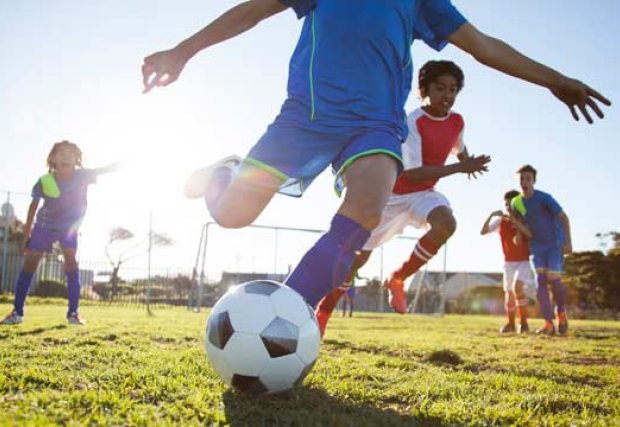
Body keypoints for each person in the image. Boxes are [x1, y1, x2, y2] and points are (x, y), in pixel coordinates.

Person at [141, 1, 610, 316]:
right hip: (306, 116)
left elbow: (484, 46)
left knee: (365, 208)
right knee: (232, 216)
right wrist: (184, 51)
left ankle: (289, 314)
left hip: (376, 123)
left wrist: (554, 79)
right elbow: (254, 11)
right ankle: (227, 172)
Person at [314, 60, 490, 337]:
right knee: (357, 261)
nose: (448, 95)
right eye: (440, 88)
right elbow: (416, 173)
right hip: (392, 195)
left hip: (422, 194)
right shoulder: (413, 121)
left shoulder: (457, 121)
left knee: (446, 224)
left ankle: (398, 278)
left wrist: (468, 160)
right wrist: (460, 168)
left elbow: (459, 146)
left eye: (453, 89)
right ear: (424, 91)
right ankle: (324, 311)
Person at [1, 141, 120, 326]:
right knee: (30, 264)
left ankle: (73, 313)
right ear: (53, 159)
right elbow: (33, 206)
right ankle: (17, 312)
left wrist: (125, 162)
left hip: (69, 228)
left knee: (71, 262)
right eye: (60, 153)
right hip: (44, 226)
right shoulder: (45, 180)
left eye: (69, 153)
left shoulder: (83, 176)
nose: (65, 156)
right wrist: (26, 235)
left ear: (76, 159)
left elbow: (106, 169)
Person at [512, 164, 572, 335]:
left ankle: (561, 312)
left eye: (528, 179)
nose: (524, 182)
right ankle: (548, 323)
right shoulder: (516, 202)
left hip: (554, 243)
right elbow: (520, 220)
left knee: (553, 277)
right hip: (536, 245)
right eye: (521, 179)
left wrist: (568, 242)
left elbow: (563, 217)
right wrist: (518, 234)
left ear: (534, 181)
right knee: (540, 283)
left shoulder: (545, 198)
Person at [481, 189, 535, 334]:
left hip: (523, 261)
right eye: (506, 205)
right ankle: (510, 323)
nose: (508, 207)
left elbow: (522, 239)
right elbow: (483, 231)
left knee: (518, 289)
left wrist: (517, 224)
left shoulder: (526, 220)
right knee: (509, 292)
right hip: (508, 262)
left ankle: (523, 323)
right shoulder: (501, 221)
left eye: (511, 204)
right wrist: (492, 215)